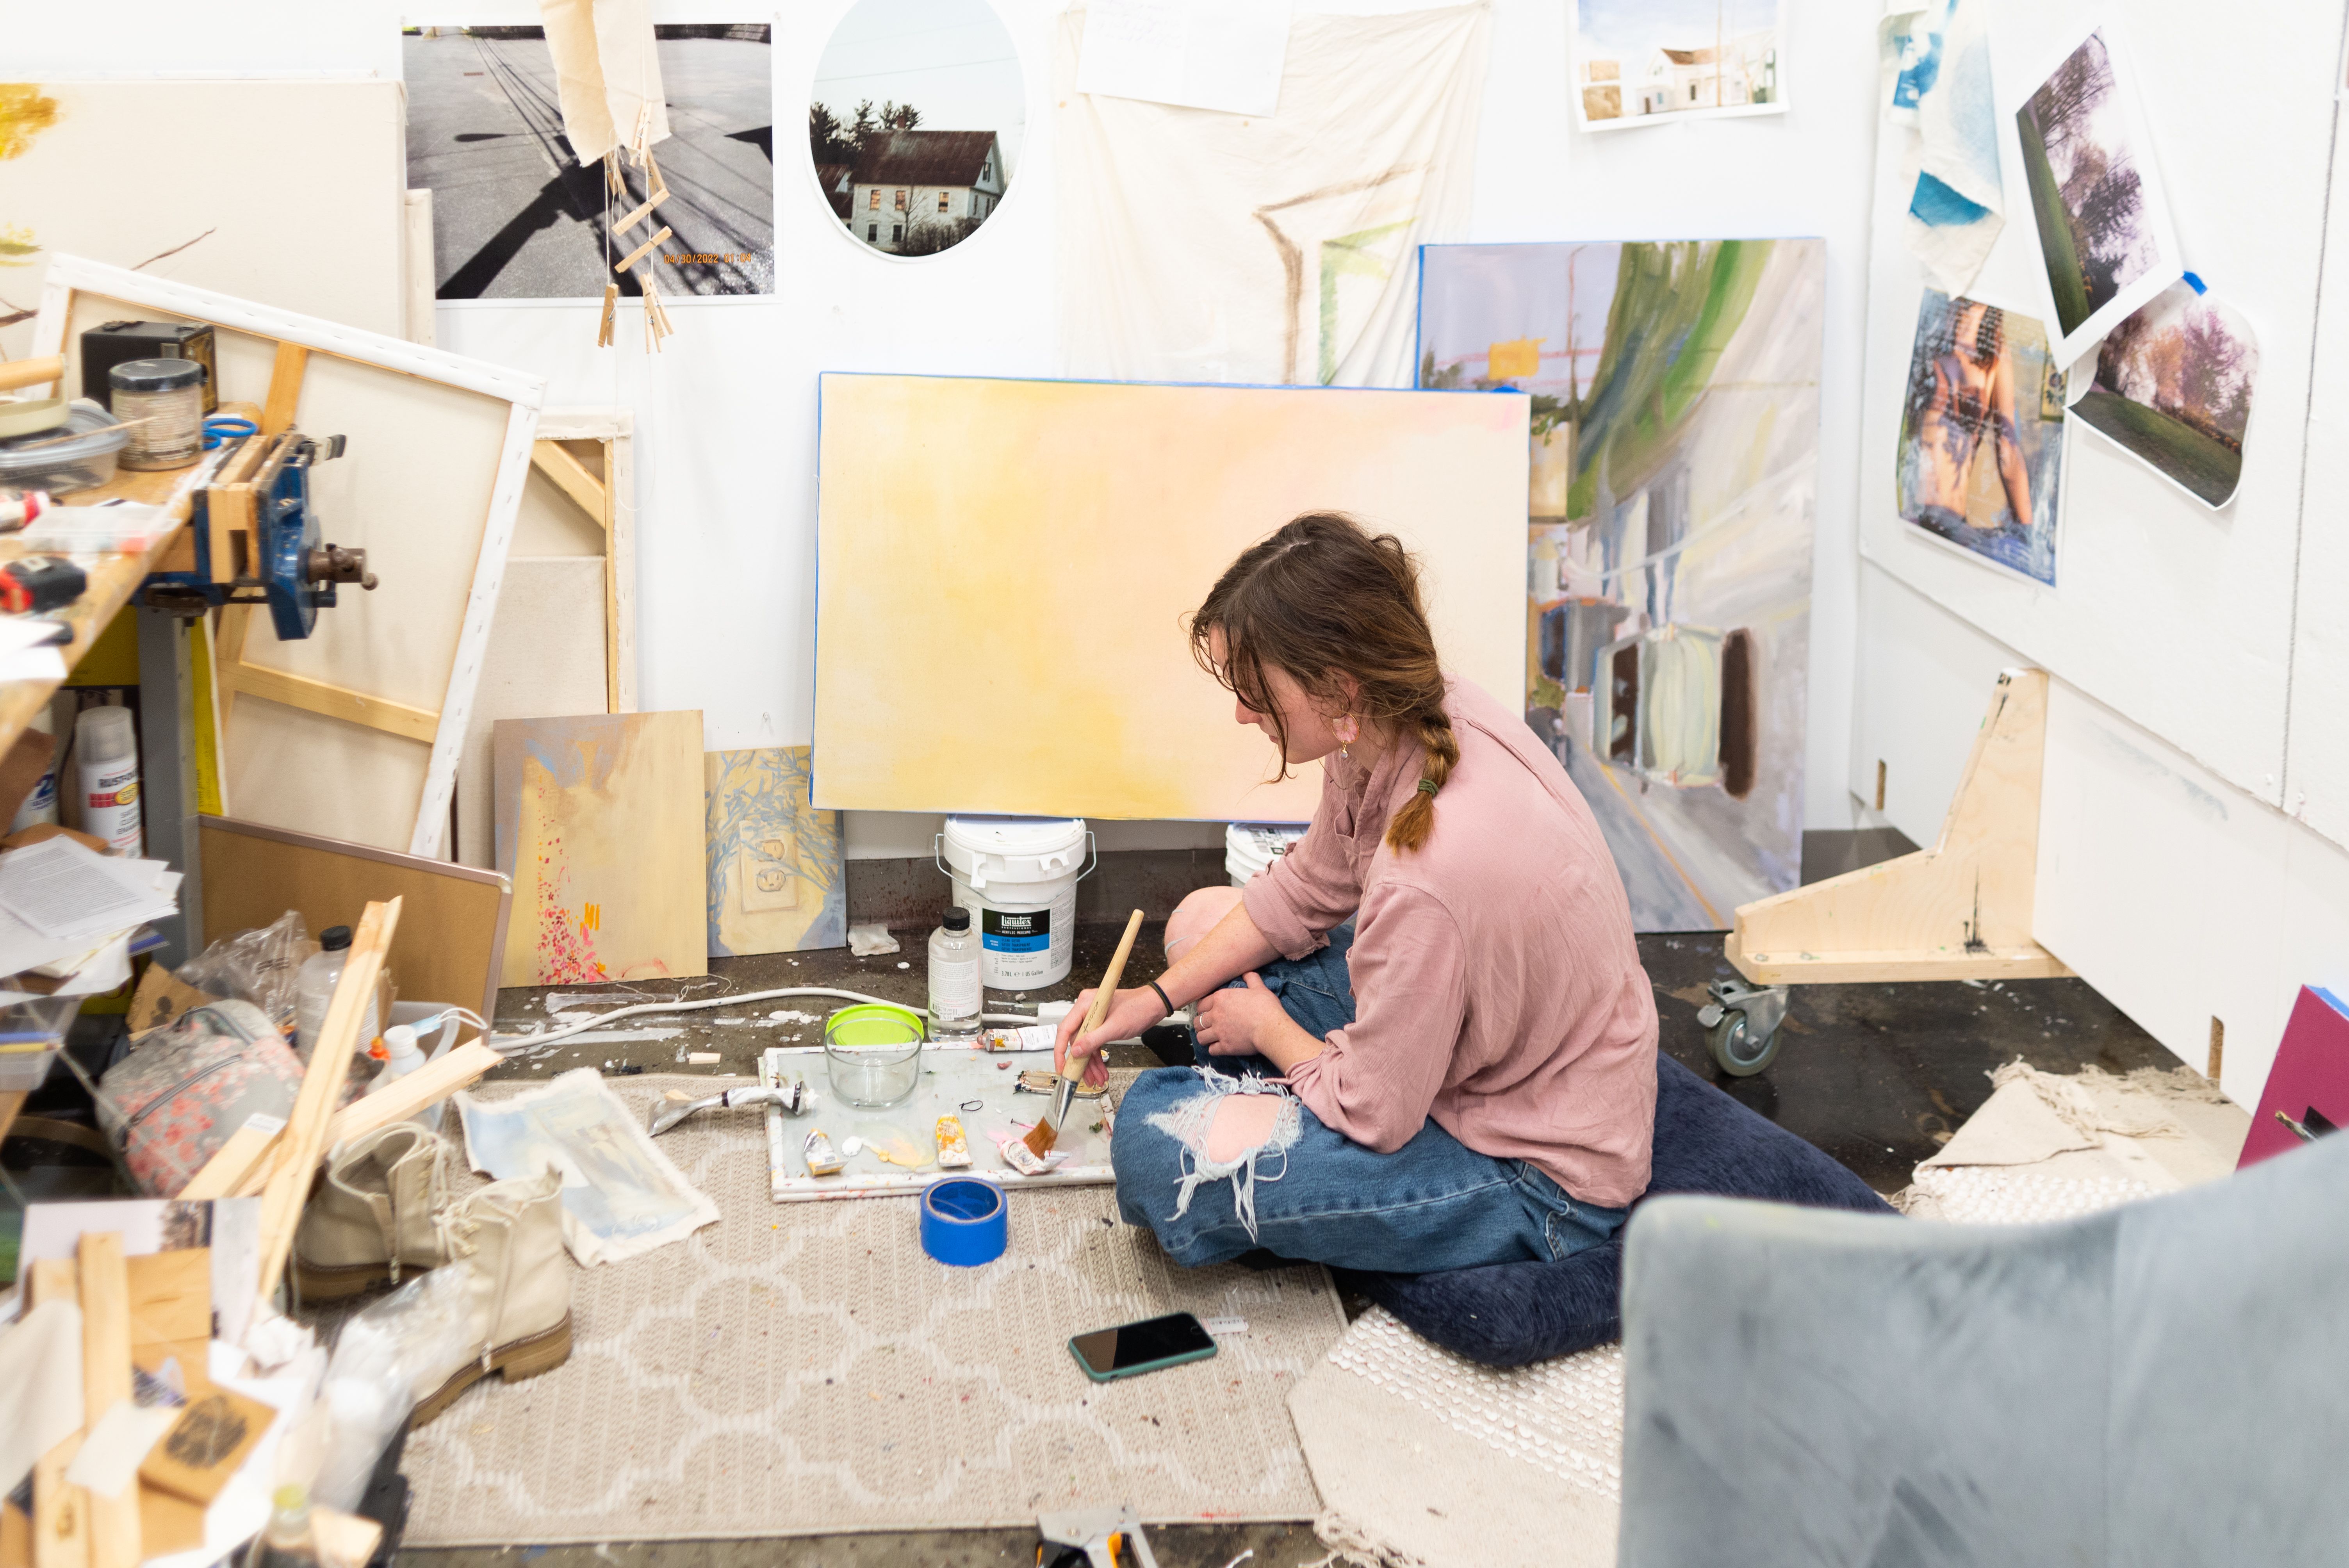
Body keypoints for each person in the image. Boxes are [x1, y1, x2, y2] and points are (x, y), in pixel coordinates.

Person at [1053, 513, 1659, 1274]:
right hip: (1485, 1042)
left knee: (1151, 1143)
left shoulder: (1427, 872)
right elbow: (1306, 891)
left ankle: (1269, 1088)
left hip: (1539, 1170)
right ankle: (1263, 1071)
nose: (1240, 712)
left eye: (1252, 691)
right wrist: (1149, 997)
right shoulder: (1389, 721)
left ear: (1336, 686)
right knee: (1205, 921)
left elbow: (1377, 1111)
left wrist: (1271, 1030)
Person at [1903, 296, 2034, 536]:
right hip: (1913, 514)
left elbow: (2008, 452)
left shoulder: (1994, 356)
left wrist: (2028, 534)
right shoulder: (1926, 326)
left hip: (1945, 520)